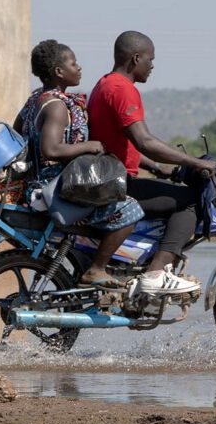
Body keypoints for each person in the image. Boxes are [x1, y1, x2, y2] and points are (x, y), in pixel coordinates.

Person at [88, 30, 216, 296]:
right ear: (136, 58)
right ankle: (156, 274)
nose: (153, 66)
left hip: (109, 177)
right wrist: (195, 162)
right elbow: (144, 141)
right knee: (190, 200)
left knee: (166, 191)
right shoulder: (122, 89)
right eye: (151, 59)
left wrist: (159, 169)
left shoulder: (105, 84)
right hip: (116, 183)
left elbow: (123, 145)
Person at [14, 40, 144, 288]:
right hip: (59, 189)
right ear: (59, 72)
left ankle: (85, 267)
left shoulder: (33, 101)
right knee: (130, 209)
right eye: (73, 63)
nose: (79, 68)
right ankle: (96, 270)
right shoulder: (57, 107)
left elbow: (17, 135)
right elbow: (50, 149)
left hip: (39, 184)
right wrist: (88, 146)